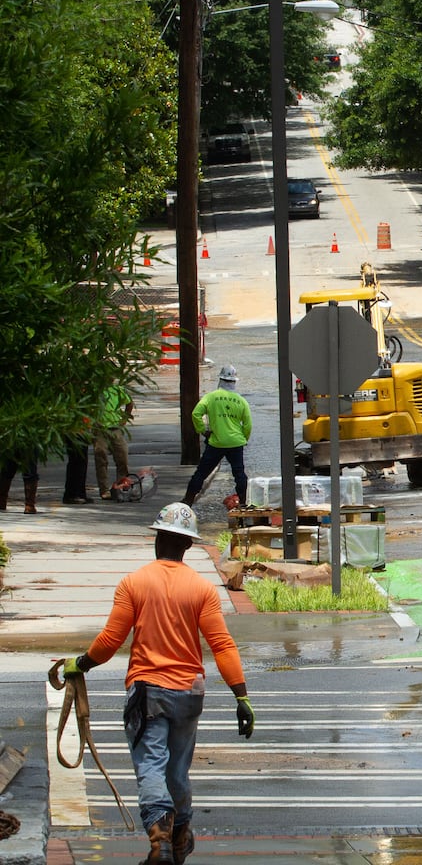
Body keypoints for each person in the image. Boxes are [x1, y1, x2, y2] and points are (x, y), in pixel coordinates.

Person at [61, 502, 254, 864]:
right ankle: (180, 838)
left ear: (157, 539)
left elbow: (110, 640)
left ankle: (159, 842)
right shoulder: (202, 589)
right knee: (177, 770)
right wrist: (241, 696)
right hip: (188, 693)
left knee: (151, 765)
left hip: (149, 692)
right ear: (189, 546)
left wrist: (80, 665)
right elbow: (222, 645)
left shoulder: (134, 582)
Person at [182, 365, 251, 507]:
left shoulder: (211, 397)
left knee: (201, 473)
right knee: (239, 474)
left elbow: (196, 414)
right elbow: (248, 425)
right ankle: (243, 503)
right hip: (236, 443)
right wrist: (243, 439)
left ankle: (187, 501)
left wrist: (202, 430)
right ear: (234, 382)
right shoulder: (241, 401)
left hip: (216, 443)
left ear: (220, 380)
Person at [94, 384, 134, 500]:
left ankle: (121, 486)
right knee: (101, 457)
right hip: (100, 428)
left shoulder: (118, 389)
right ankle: (104, 490)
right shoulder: (96, 389)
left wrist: (125, 418)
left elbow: (129, 402)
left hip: (115, 428)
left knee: (122, 457)